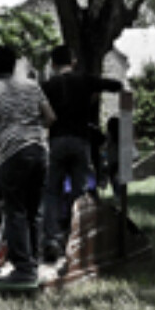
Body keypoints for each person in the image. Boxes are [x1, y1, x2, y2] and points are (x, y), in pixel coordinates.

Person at [0, 44, 55, 283]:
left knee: (16, 211)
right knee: (35, 211)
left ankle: (24, 267)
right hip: (39, 150)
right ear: (13, 66)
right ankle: (34, 261)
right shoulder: (33, 86)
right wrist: (33, 131)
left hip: (12, 153)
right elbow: (51, 117)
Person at [41, 45, 122, 259]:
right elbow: (116, 85)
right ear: (73, 62)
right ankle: (80, 236)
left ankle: (52, 238)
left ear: (53, 64)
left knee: (52, 192)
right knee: (81, 191)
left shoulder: (47, 86)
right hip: (81, 140)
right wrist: (92, 94)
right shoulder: (85, 80)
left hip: (57, 140)